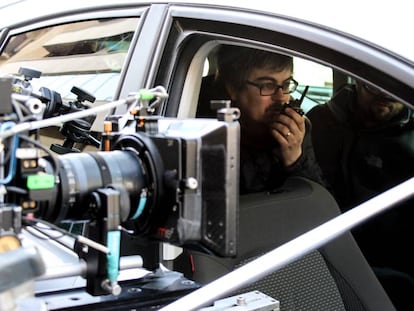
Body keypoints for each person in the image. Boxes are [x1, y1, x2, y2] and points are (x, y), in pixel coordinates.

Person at [307, 81, 414, 310]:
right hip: (324, 250)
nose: (384, 93)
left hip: (393, 256)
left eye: (394, 87)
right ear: (358, 81)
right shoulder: (320, 122)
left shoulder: (409, 138)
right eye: (375, 85)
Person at [199, 45, 326, 194]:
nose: (281, 97)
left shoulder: (295, 130)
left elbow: (321, 202)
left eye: (285, 85)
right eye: (267, 85)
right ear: (233, 88)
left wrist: (296, 160)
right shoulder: (204, 130)